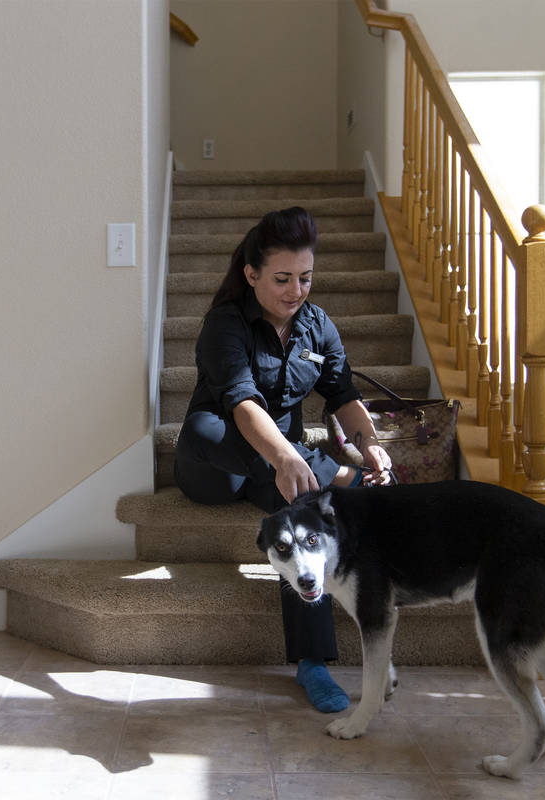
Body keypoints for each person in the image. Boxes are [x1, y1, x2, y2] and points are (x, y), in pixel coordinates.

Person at [174, 206, 394, 713]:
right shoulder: (223, 325)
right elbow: (241, 402)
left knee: (298, 515)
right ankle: (325, 473)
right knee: (204, 426)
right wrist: (291, 459)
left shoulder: (317, 327)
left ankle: (313, 663)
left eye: (305, 278)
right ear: (251, 275)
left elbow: (342, 393)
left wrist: (368, 441)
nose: (296, 290)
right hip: (214, 466)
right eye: (282, 278)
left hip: (280, 468)